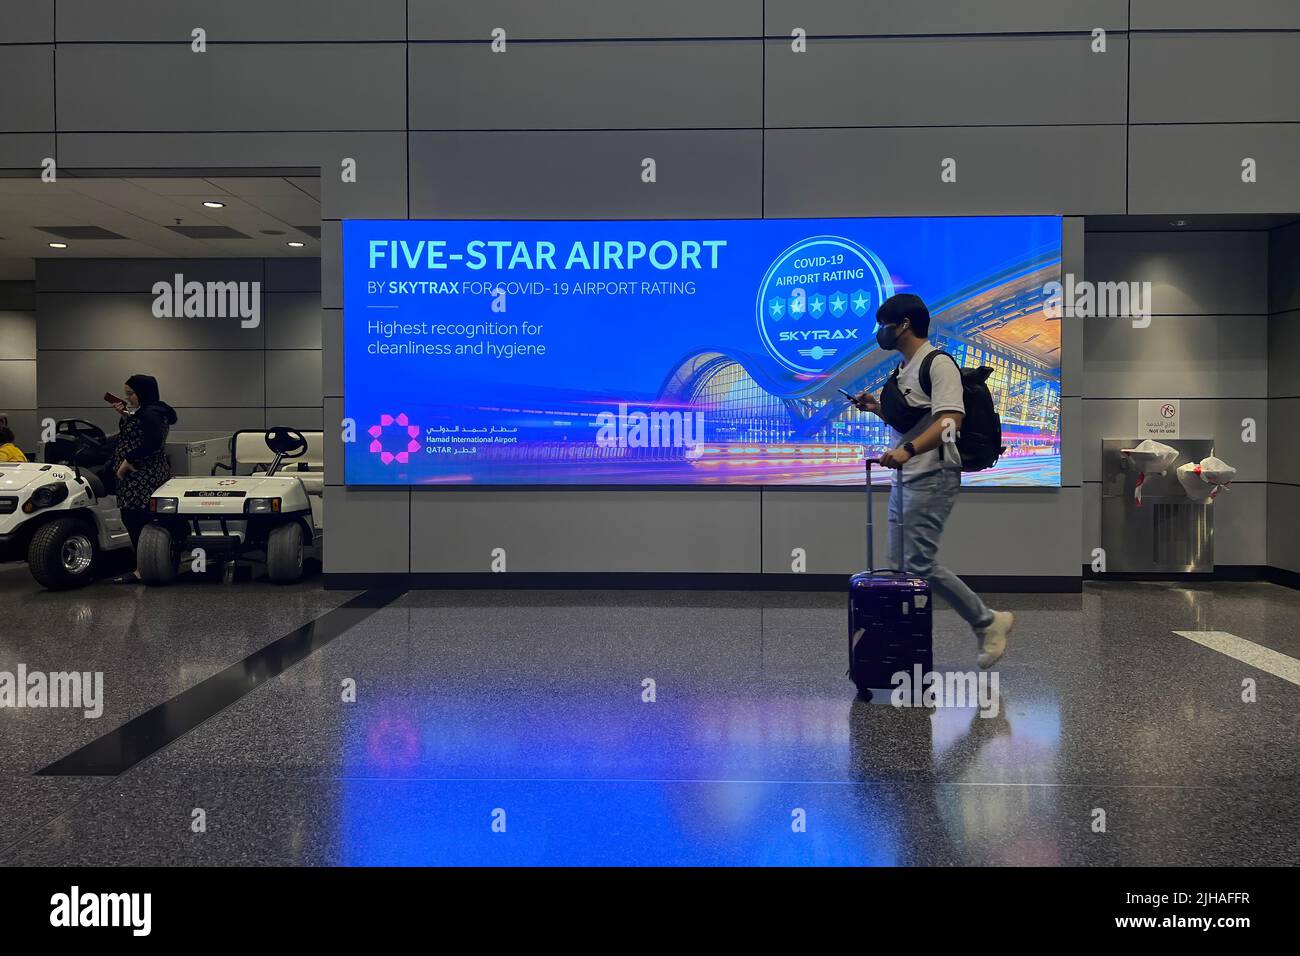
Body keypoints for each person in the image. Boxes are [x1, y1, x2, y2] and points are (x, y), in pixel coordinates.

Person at [851, 293, 1014, 668]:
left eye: (884, 325)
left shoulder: (938, 363)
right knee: (899, 566)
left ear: (904, 325)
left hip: (933, 475)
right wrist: (876, 407)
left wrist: (908, 450)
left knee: (918, 563)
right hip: (906, 477)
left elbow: (949, 421)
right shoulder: (904, 368)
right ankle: (901, 652)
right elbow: (914, 420)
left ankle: (989, 622)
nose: (881, 333)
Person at [108, 375, 178, 583]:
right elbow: (140, 434)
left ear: (143, 392)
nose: (127, 397)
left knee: (135, 518)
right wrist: (125, 416)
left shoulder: (149, 414)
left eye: (131, 393)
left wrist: (128, 460)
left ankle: (142, 567)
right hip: (145, 474)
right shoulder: (152, 412)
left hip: (140, 476)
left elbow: (153, 442)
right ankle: (146, 564)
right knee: (139, 517)